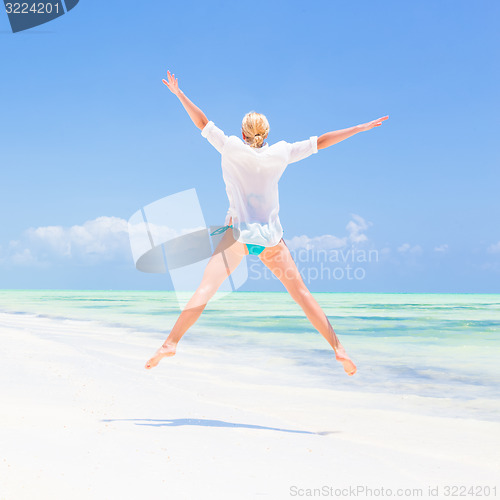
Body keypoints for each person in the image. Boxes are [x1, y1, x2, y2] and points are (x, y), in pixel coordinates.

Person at [145, 70, 388, 375]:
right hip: (271, 239)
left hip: (236, 237)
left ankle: (170, 343)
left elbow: (202, 122)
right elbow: (321, 142)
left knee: (204, 290)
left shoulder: (231, 146)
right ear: (266, 134)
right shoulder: (281, 152)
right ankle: (338, 349)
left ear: (244, 133)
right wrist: (359, 128)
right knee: (302, 295)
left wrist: (179, 94)